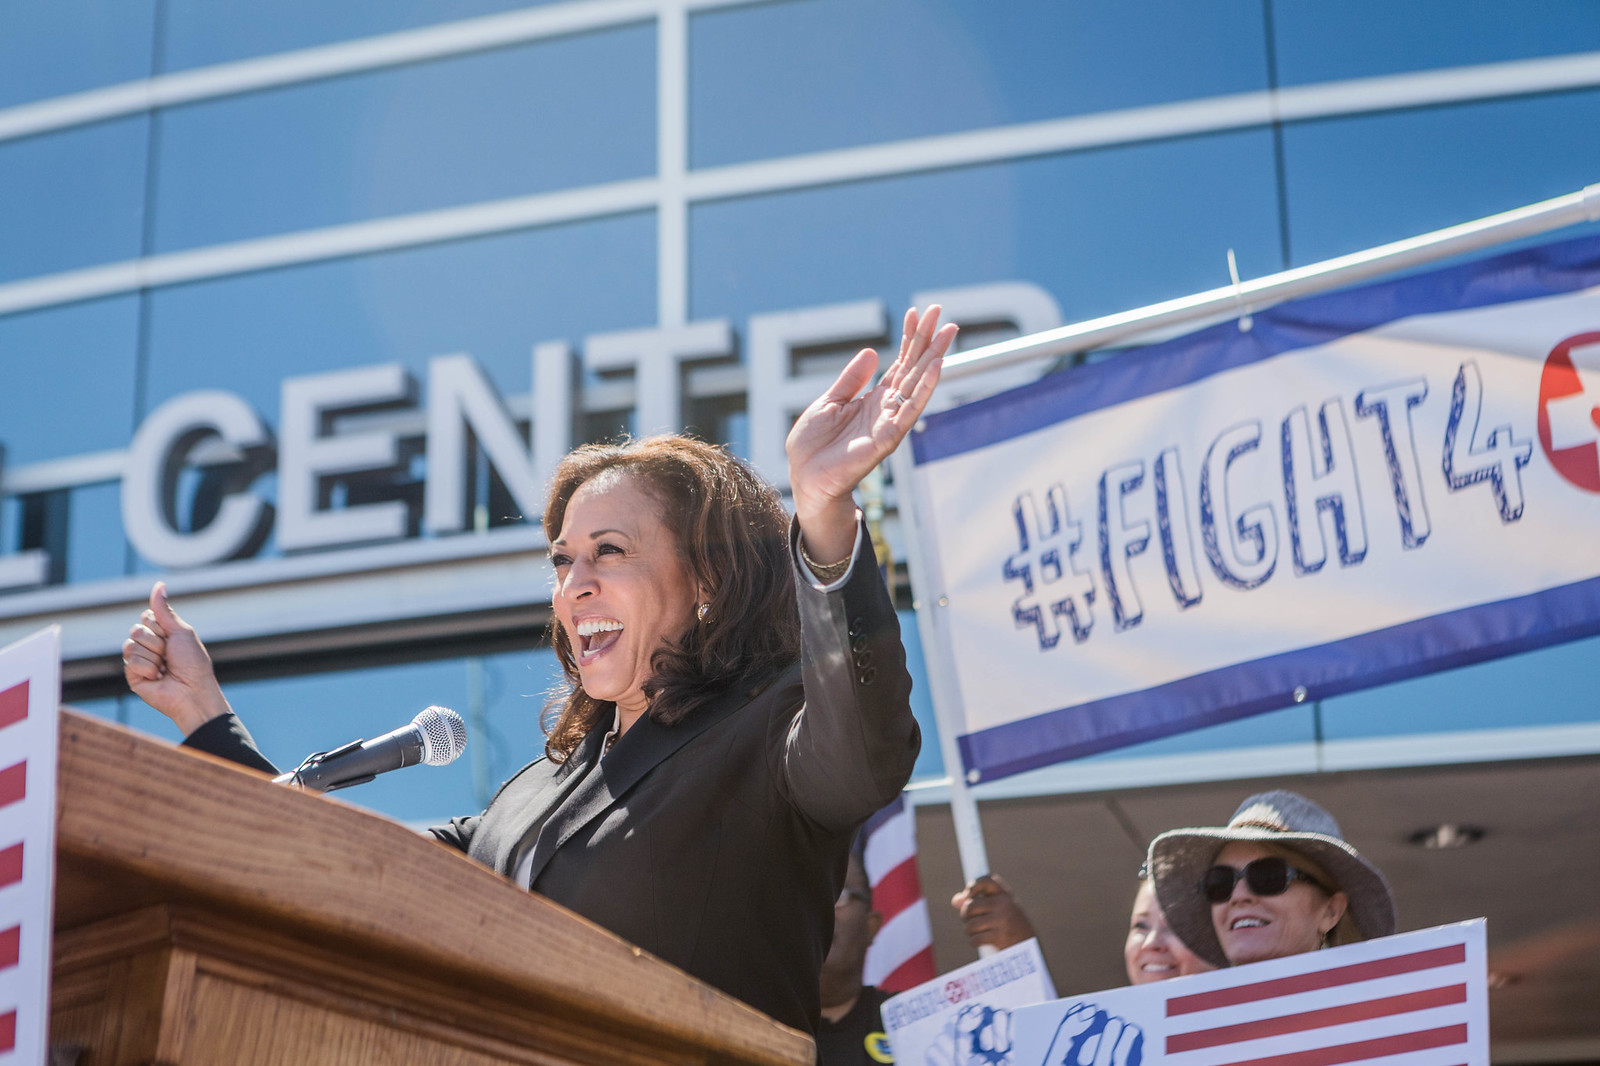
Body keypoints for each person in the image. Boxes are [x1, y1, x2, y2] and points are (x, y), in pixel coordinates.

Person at [120, 306, 960, 1033]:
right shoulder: (536, 793)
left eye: (610, 552)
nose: (575, 584)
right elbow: (342, 862)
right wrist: (205, 715)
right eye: (563, 561)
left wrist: (822, 516)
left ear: (706, 580)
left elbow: (862, 748)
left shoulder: (767, 731)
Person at [1147, 789, 1397, 968]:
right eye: (1220, 883)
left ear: (1331, 911)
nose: (1239, 896)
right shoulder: (1187, 1029)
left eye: (1268, 876)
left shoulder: (1376, 1020)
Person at [950, 871, 1212, 985]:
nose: (1151, 942)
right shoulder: (1108, 1040)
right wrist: (1014, 945)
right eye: (1141, 926)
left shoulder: (1243, 1043)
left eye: (1177, 926)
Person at [818, 851, 895, 1066]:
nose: (819, 909)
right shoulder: (742, 1025)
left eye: (837, 895)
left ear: (871, 927)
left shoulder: (913, 1024)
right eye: (804, 897)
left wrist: (999, 944)